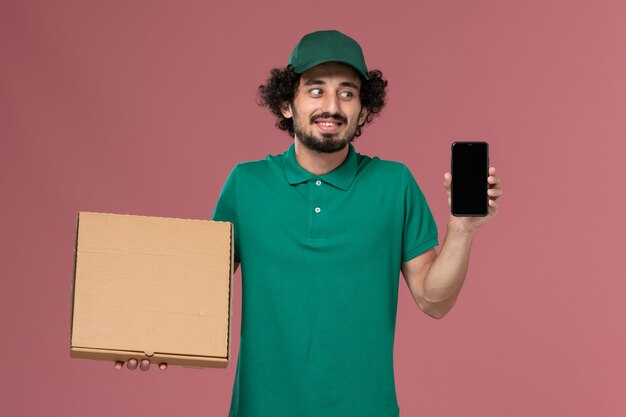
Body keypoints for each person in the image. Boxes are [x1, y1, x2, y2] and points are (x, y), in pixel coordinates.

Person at [117, 30, 502, 417]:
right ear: (287, 103)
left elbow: (434, 301)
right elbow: (198, 292)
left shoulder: (394, 184)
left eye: (347, 93)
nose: (331, 106)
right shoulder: (246, 184)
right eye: (316, 90)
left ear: (364, 110)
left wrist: (462, 228)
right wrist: (143, 338)